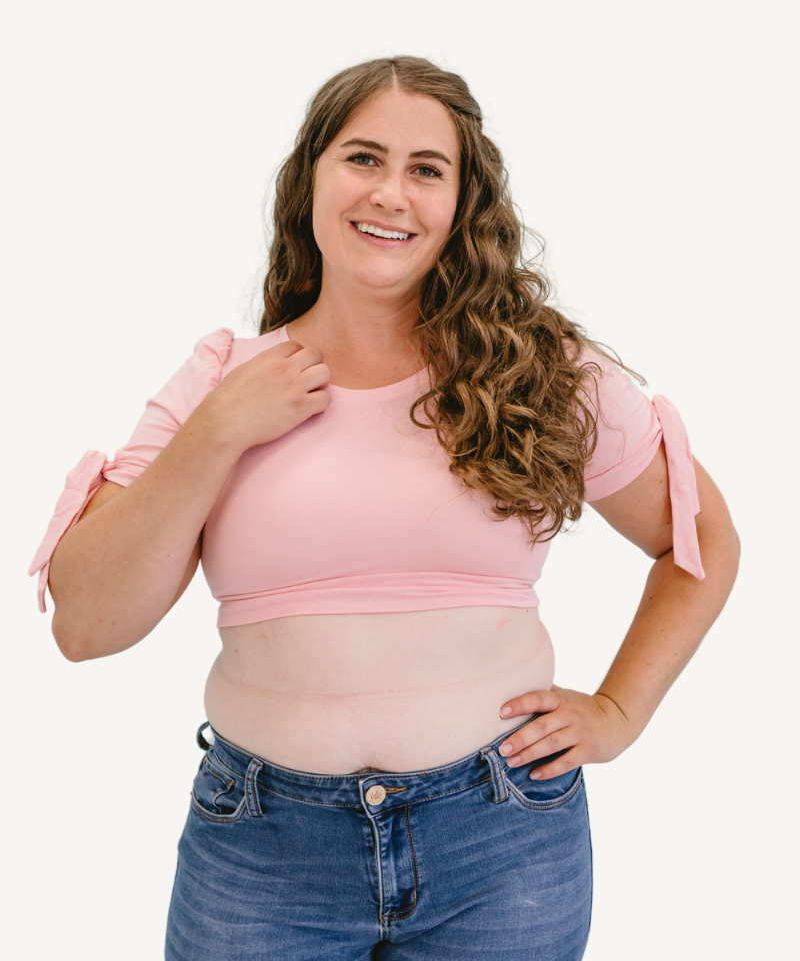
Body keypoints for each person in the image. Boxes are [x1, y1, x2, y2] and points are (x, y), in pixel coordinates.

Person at [29, 55, 740, 960]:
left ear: (462, 203)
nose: (391, 194)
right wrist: (217, 432)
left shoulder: (540, 373)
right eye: (363, 157)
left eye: (426, 170)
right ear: (311, 179)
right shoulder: (218, 382)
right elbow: (86, 625)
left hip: (503, 843)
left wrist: (619, 711)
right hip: (261, 852)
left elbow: (701, 538)